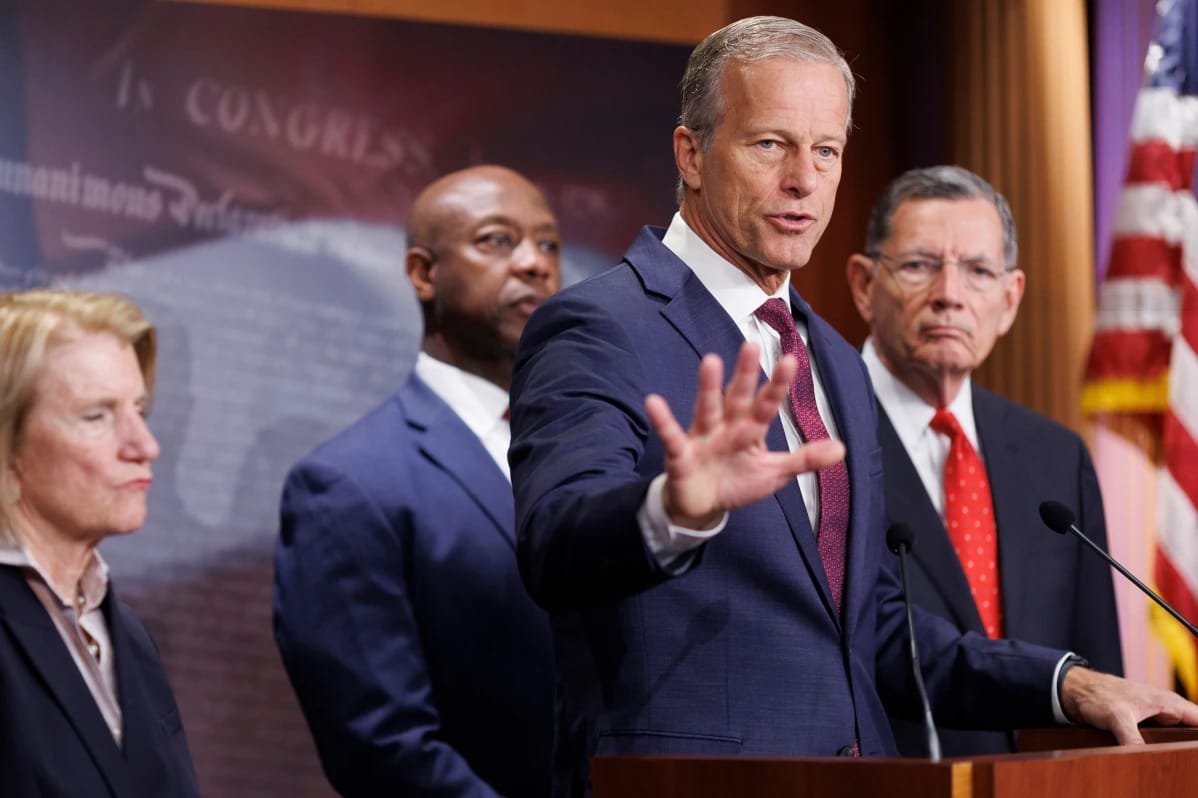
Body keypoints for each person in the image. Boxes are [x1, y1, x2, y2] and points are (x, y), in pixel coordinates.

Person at [508, 16, 1198, 796]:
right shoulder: (599, 325)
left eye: (826, 151)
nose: (803, 180)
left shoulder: (832, 358)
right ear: (691, 154)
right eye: (770, 144)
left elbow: (872, 624)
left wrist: (1067, 683)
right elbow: (553, 541)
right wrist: (672, 509)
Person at [274, 164, 561, 797]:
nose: (535, 263)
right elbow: (380, 744)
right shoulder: (347, 485)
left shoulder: (593, 453)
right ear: (423, 273)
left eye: (548, 244)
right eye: (497, 240)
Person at [845, 165, 1124, 756]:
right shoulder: (819, 431)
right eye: (919, 265)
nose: (949, 294)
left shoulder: (1056, 456)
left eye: (978, 271)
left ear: (1010, 298)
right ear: (864, 285)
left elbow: (1101, 680)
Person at [0, 289, 199, 797]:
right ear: (8, 445)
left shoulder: (128, 635)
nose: (145, 446)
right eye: (97, 417)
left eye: (139, 410)